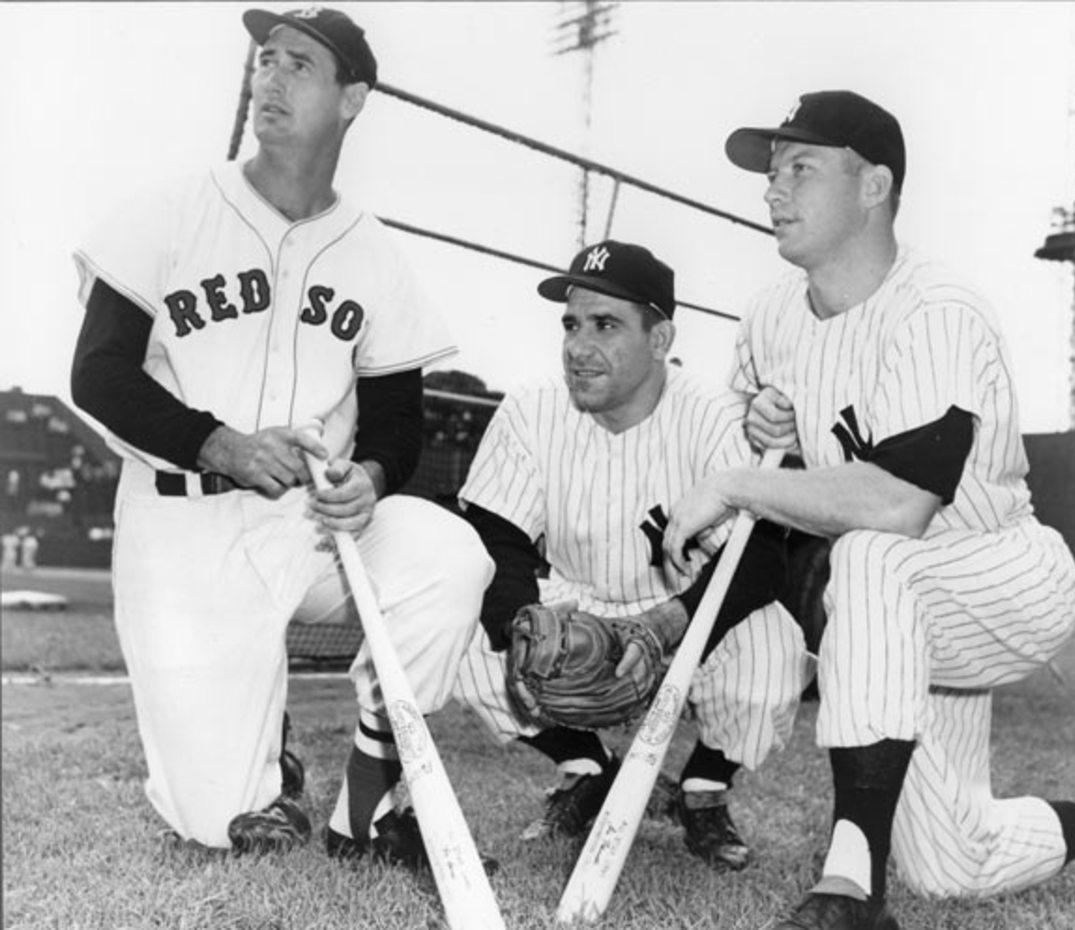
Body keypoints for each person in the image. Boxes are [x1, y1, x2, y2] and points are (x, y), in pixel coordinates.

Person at [662, 90, 1075, 928]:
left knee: (876, 556)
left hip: (1000, 573)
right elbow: (789, 475)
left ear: (874, 186)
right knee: (951, 863)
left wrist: (737, 482)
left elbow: (899, 503)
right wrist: (762, 425)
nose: (774, 190)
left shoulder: (936, 308)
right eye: (772, 173)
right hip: (898, 623)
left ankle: (850, 887)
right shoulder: (773, 314)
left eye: (800, 168)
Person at [70, 6, 493, 860]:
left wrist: (372, 477)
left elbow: (398, 422)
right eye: (266, 59)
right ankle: (260, 736)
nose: (272, 76)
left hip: (310, 526)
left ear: (354, 99)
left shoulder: (372, 251)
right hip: (181, 523)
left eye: (301, 64)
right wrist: (218, 442)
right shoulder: (171, 210)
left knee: (452, 560)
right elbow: (99, 374)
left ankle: (365, 808)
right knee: (219, 821)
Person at [451, 240, 814, 870]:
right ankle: (586, 767)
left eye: (605, 324)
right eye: (570, 323)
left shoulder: (713, 412)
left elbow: (763, 559)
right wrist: (521, 629)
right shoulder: (533, 406)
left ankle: (703, 790)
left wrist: (668, 623)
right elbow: (494, 536)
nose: (577, 345)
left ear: (659, 336)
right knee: (456, 633)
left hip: (687, 609)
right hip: (575, 601)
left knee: (772, 654)